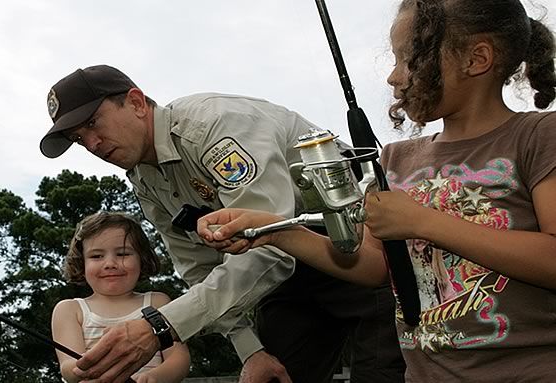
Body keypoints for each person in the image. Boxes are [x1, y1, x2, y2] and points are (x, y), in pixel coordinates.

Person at [197, 0, 556, 381]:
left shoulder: (538, 137)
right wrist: (275, 230)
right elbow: (373, 266)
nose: (393, 76)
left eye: (408, 59)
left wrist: (422, 221)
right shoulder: (395, 158)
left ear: (477, 58)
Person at [39, 65, 405, 382]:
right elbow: (197, 266)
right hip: (284, 281)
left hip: (361, 252)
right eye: (78, 139)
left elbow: (271, 242)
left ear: (136, 102)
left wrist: (160, 325)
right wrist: (249, 350)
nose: (92, 144)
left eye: (92, 123)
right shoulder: (144, 179)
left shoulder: (214, 125)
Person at [51, 211, 190, 383]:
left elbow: (179, 359)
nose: (110, 264)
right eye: (96, 256)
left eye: (123, 254)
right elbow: (67, 366)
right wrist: (87, 369)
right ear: (82, 263)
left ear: (142, 259)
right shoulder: (69, 310)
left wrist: (153, 377)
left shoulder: (157, 302)